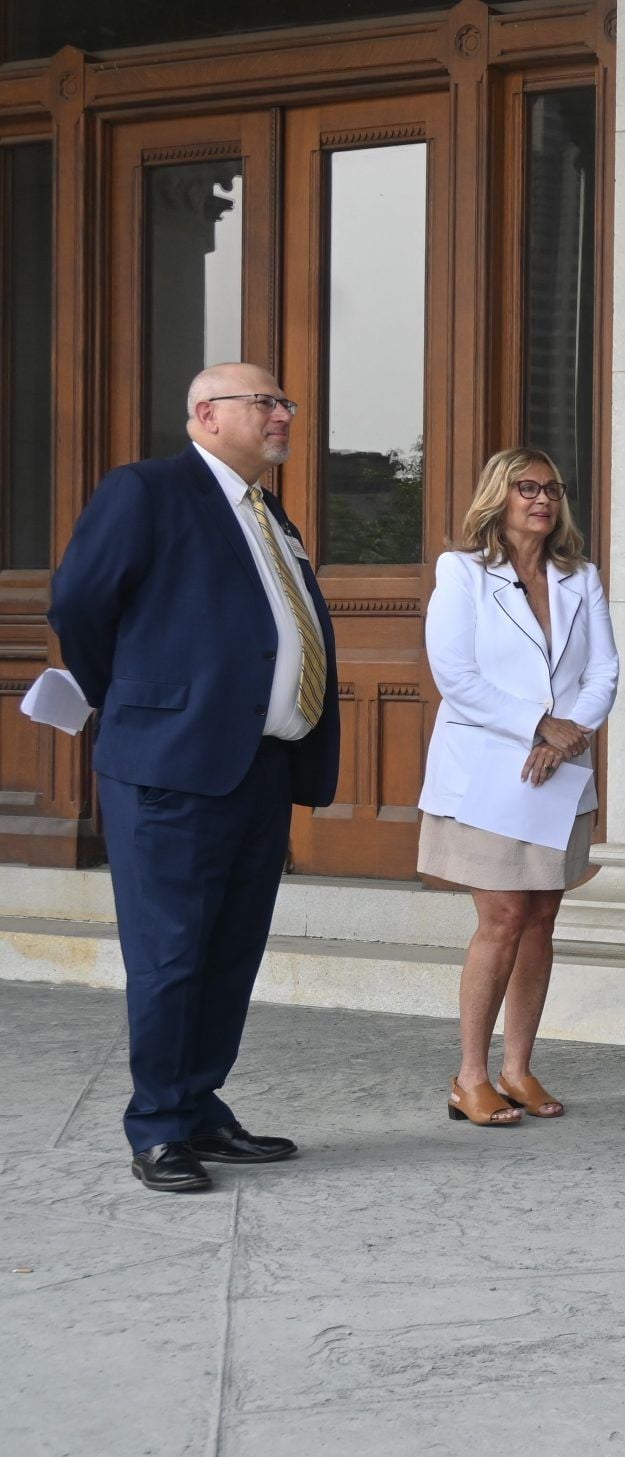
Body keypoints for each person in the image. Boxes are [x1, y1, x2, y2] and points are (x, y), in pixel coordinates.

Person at [47, 363, 338, 1192]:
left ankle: (200, 1104)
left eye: (285, 402)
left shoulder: (267, 512)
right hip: (169, 770)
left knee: (229, 950)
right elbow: (78, 604)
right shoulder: (146, 490)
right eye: (267, 402)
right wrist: (137, 698)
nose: (284, 414)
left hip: (260, 768)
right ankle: (158, 1124)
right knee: (171, 952)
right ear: (207, 414)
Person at [419, 448, 618, 1126]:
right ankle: (469, 1075)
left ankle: (518, 1067)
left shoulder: (579, 576)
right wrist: (540, 725)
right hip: (490, 774)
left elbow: (605, 673)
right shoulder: (463, 572)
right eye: (526, 487)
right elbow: (456, 676)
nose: (542, 499)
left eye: (552, 488)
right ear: (498, 497)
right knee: (502, 918)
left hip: (560, 775)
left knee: (541, 920)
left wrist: (570, 733)